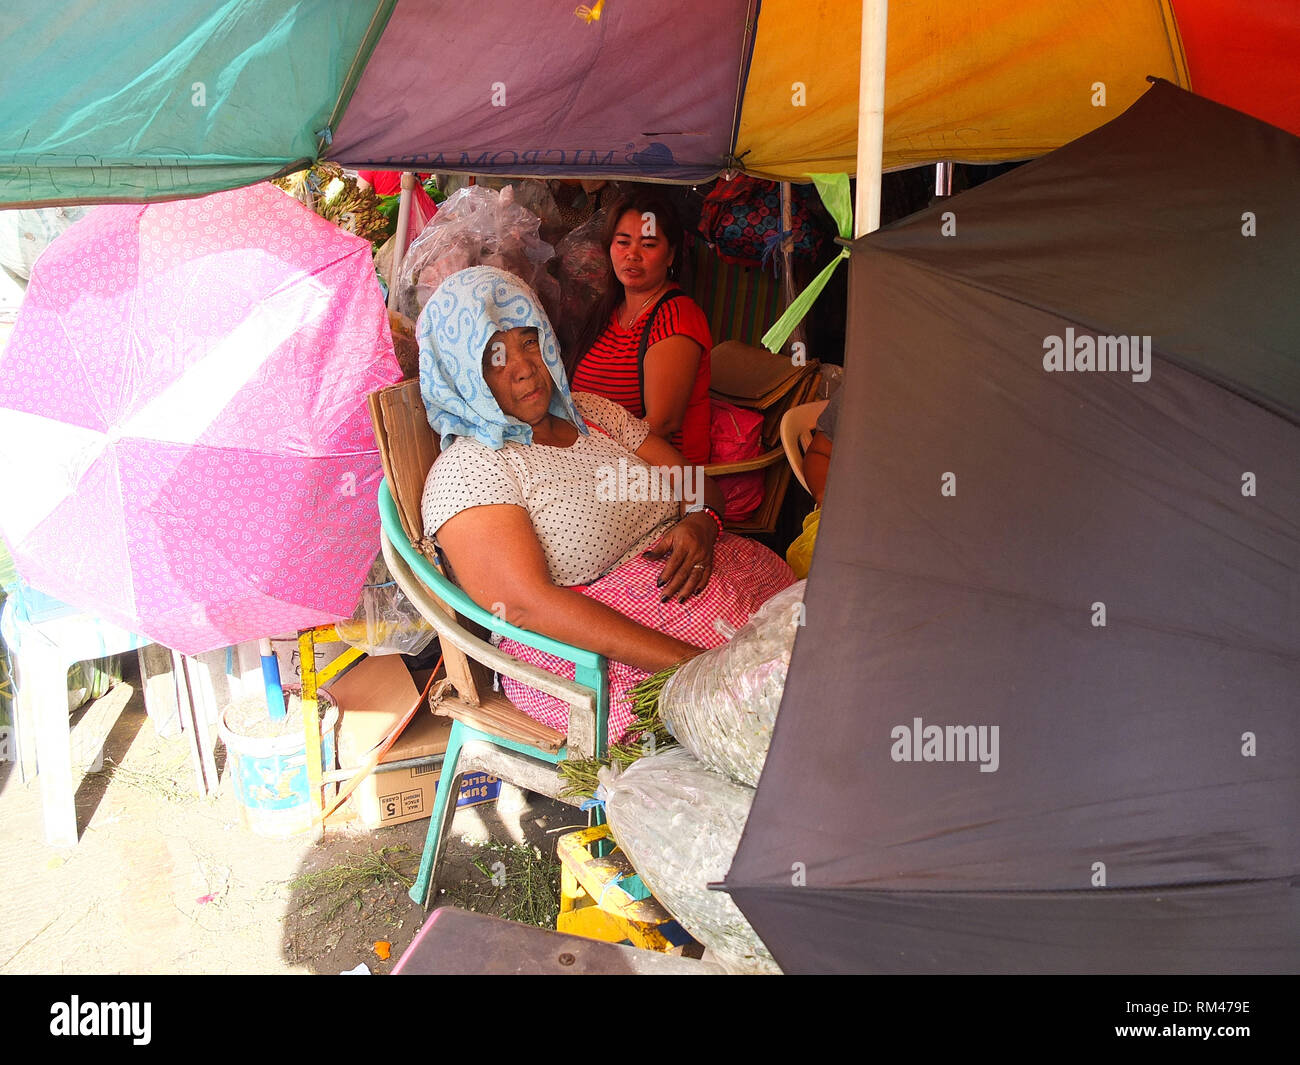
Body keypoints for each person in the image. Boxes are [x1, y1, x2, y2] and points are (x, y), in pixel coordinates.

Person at [419, 267, 794, 742]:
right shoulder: (469, 469)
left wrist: (702, 522)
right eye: (495, 356)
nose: (524, 367)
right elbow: (526, 607)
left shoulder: (591, 413)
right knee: (784, 706)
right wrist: (696, 666)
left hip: (718, 593)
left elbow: (690, 481)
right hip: (597, 662)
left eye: (529, 341)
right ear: (458, 372)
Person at [568, 191, 713, 465]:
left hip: (659, 476)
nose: (632, 254)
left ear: (670, 255)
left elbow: (662, 425)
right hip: (597, 462)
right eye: (623, 242)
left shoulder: (677, 317)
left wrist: (584, 460)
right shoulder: (608, 310)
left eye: (648, 245)